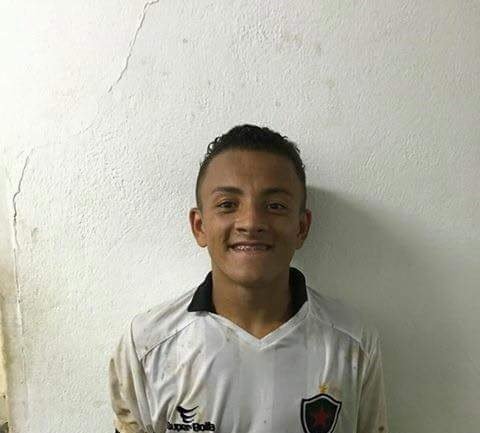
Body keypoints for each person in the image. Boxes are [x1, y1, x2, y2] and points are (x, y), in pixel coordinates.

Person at [108, 124, 389, 433]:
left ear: (301, 227)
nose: (251, 222)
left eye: (275, 206)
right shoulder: (147, 344)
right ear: (200, 226)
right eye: (228, 205)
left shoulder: (352, 342)